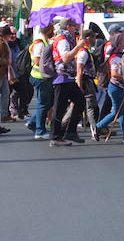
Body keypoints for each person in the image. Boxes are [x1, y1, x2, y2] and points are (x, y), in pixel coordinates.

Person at [49, 18, 86, 147]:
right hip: (61, 77)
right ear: (68, 26)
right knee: (59, 108)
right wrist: (78, 47)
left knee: (81, 101)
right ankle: (55, 136)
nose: (76, 28)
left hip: (68, 77)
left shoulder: (66, 39)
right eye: (74, 26)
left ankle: (70, 131)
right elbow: (65, 58)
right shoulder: (62, 40)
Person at [96, 29, 124, 142]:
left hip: (122, 86)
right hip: (116, 87)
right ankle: (98, 126)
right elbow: (115, 74)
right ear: (119, 43)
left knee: (123, 112)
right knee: (117, 112)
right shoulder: (115, 57)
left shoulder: (121, 55)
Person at [28, 24, 55, 140]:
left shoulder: (45, 41)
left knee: (47, 103)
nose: (53, 31)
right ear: (48, 30)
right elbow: (37, 61)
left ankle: (33, 122)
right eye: (52, 29)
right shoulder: (40, 43)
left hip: (43, 77)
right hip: (40, 77)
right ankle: (39, 130)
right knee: (43, 104)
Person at [76, 29, 101, 141]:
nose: (95, 39)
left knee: (90, 106)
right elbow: (79, 70)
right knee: (91, 106)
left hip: (88, 81)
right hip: (85, 82)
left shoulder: (86, 50)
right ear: (88, 39)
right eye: (93, 37)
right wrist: (79, 85)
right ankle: (94, 130)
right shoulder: (83, 52)